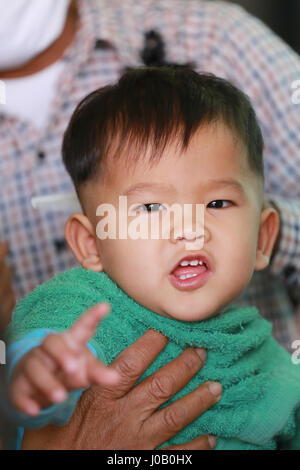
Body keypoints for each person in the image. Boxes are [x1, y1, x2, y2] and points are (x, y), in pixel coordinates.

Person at [1, 0, 299, 449]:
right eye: (151, 209)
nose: (189, 230)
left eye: (217, 202)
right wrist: (45, 374)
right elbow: (44, 357)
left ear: (263, 237)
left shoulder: (263, 354)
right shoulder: (82, 310)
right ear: (91, 245)